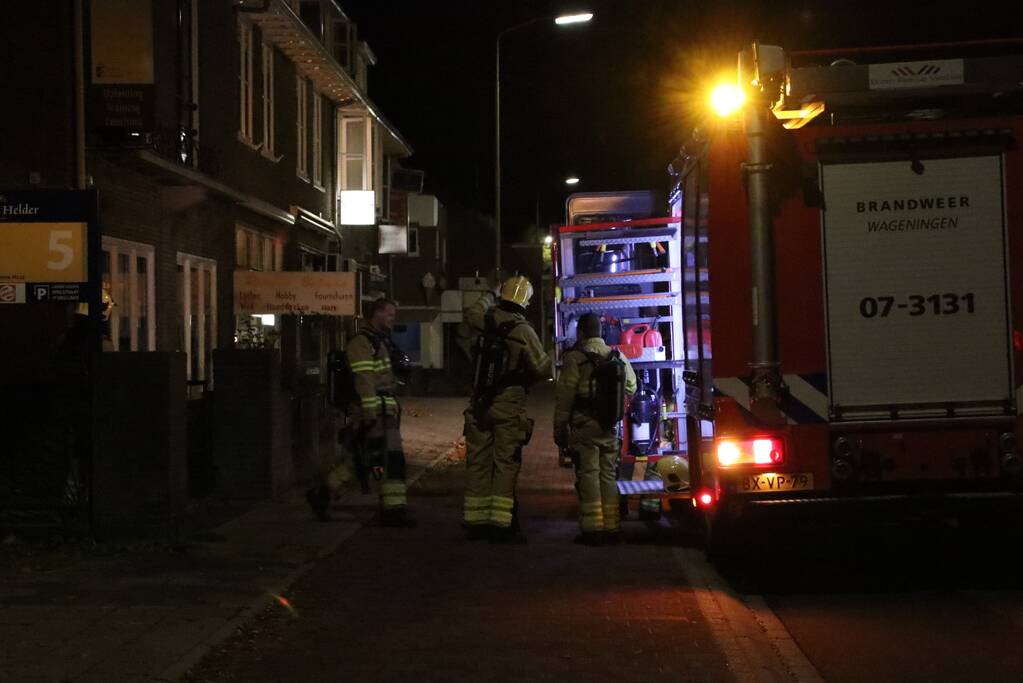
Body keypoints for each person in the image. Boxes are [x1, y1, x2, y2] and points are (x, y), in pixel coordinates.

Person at [308, 297, 414, 527]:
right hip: (374, 411)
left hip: (383, 411)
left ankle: (324, 494)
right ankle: (392, 510)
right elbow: (363, 379)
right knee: (377, 460)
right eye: (389, 314)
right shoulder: (362, 343)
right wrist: (369, 413)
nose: (392, 319)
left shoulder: (378, 341)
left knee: (370, 459)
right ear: (376, 313)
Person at [462, 276, 552, 543]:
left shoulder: (485, 319)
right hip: (508, 405)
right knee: (505, 463)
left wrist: (489, 293)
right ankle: (501, 525)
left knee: (478, 461)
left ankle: (475, 522)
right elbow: (542, 368)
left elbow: (471, 312)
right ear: (525, 300)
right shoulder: (523, 331)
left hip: (479, 403)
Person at [554, 312, 637, 545]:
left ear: (581, 332)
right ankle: (612, 527)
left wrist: (559, 427)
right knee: (608, 475)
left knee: (589, 474)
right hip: (610, 427)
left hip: (584, 426)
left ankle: (592, 530)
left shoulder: (575, 359)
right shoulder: (616, 355)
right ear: (600, 333)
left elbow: (565, 397)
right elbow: (632, 385)